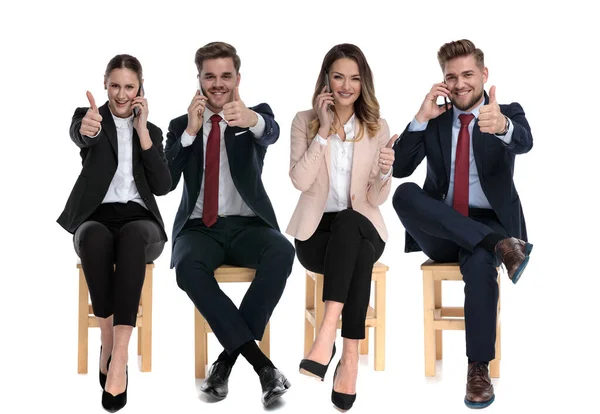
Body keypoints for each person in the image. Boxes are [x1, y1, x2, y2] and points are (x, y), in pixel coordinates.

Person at [391, 39, 533, 409]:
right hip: (440, 228)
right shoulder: (436, 121)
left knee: (482, 264)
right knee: (405, 193)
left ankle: (477, 368)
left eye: (468, 74)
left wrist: (501, 125)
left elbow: (524, 141)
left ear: (483, 75)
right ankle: (500, 246)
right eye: (451, 77)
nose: (459, 84)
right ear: (443, 81)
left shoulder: (506, 112)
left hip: (488, 222)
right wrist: (420, 118)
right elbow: (400, 168)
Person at [165, 41, 294, 407]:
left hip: (248, 226)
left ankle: (224, 362)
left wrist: (251, 119)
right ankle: (263, 367)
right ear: (199, 80)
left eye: (225, 75)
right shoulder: (180, 125)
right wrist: (191, 132)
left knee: (282, 251)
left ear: (237, 78)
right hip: (198, 229)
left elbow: (271, 131)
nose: (217, 83)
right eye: (210, 76)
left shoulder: (252, 117)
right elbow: (167, 180)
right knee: (187, 267)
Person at [57, 54, 171, 412]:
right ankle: (107, 339)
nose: (121, 94)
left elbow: (164, 185)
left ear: (140, 89)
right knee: (94, 237)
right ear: (105, 84)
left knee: (132, 238)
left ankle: (119, 354)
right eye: (115, 85)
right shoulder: (89, 118)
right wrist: (85, 127)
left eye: (129, 86)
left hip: (140, 220)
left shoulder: (150, 131)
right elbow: (81, 134)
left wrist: (141, 132)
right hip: (96, 217)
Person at [287, 43, 396, 411]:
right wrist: (323, 133)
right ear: (326, 80)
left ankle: (326, 336)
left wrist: (384, 170)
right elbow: (300, 182)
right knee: (357, 254)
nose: (346, 86)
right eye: (338, 77)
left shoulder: (377, 127)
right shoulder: (304, 121)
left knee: (352, 223)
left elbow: (377, 199)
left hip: (364, 225)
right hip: (316, 234)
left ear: (363, 83)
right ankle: (349, 359)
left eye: (354, 78)